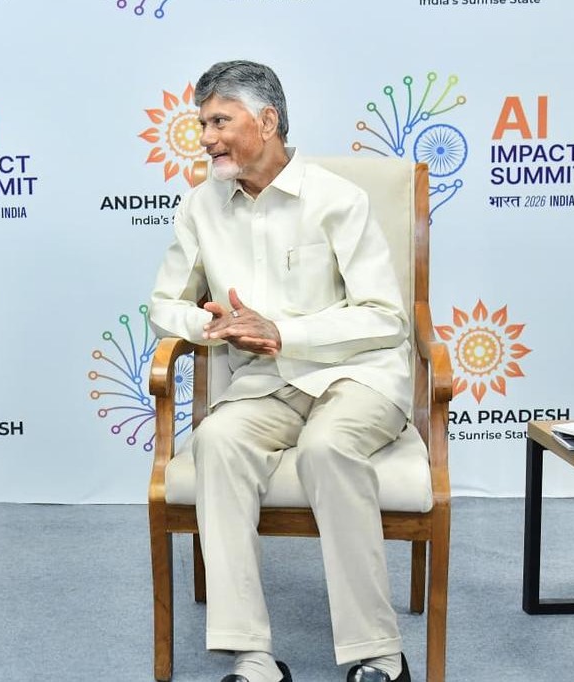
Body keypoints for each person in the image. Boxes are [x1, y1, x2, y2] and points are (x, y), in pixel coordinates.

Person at [149, 60, 413, 682]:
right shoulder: (201, 206)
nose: (206, 138)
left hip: (359, 376)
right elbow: (163, 305)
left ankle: (378, 654)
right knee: (216, 439)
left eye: (220, 122)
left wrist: (284, 332)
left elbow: (386, 316)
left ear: (267, 121)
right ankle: (252, 656)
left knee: (327, 449)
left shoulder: (338, 199)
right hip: (267, 384)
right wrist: (209, 326)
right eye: (202, 124)